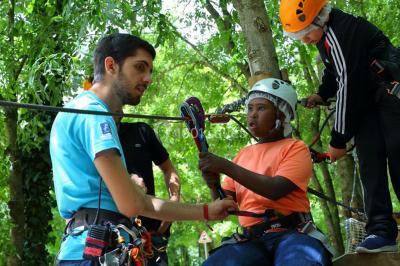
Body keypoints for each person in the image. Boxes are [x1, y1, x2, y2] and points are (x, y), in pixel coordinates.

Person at [49, 33, 237, 265]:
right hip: (95, 252)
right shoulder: (95, 116)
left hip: (87, 249)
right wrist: (133, 189)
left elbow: (134, 200)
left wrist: (207, 210)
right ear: (111, 65)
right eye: (140, 67)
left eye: (150, 71)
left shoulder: (76, 110)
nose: (148, 78)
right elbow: (132, 204)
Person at [279, 0, 400, 253]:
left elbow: (349, 86)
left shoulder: (343, 31)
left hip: (390, 96)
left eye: (305, 33)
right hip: (367, 105)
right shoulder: (325, 38)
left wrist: (337, 141)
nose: (304, 40)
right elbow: (334, 71)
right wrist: (323, 94)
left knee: (398, 155)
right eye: (298, 35)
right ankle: (381, 231)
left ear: (320, 18)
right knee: (369, 162)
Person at [198, 78, 332, 265]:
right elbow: (225, 204)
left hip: (292, 234)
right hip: (250, 240)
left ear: (282, 115)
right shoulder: (243, 155)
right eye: (250, 108)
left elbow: (276, 189)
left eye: (261, 108)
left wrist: (226, 166)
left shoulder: (295, 148)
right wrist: (213, 184)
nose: (252, 114)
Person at [118, 121, 180, 265]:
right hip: (115, 231)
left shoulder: (141, 130)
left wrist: (174, 201)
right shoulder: (94, 135)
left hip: (151, 233)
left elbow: (168, 169)